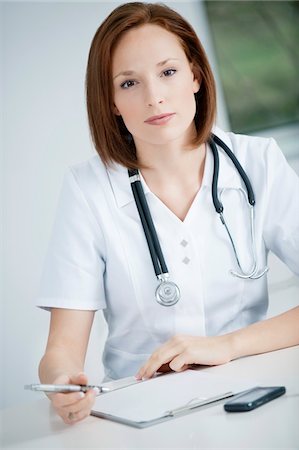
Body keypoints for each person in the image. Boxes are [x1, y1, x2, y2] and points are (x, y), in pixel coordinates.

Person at [37, 2, 299, 424]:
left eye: (168, 72)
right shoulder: (88, 189)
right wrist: (65, 382)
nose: (154, 96)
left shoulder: (259, 162)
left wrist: (227, 345)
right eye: (128, 83)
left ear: (195, 75)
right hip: (144, 412)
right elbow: (61, 351)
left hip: (254, 394)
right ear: (111, 102)